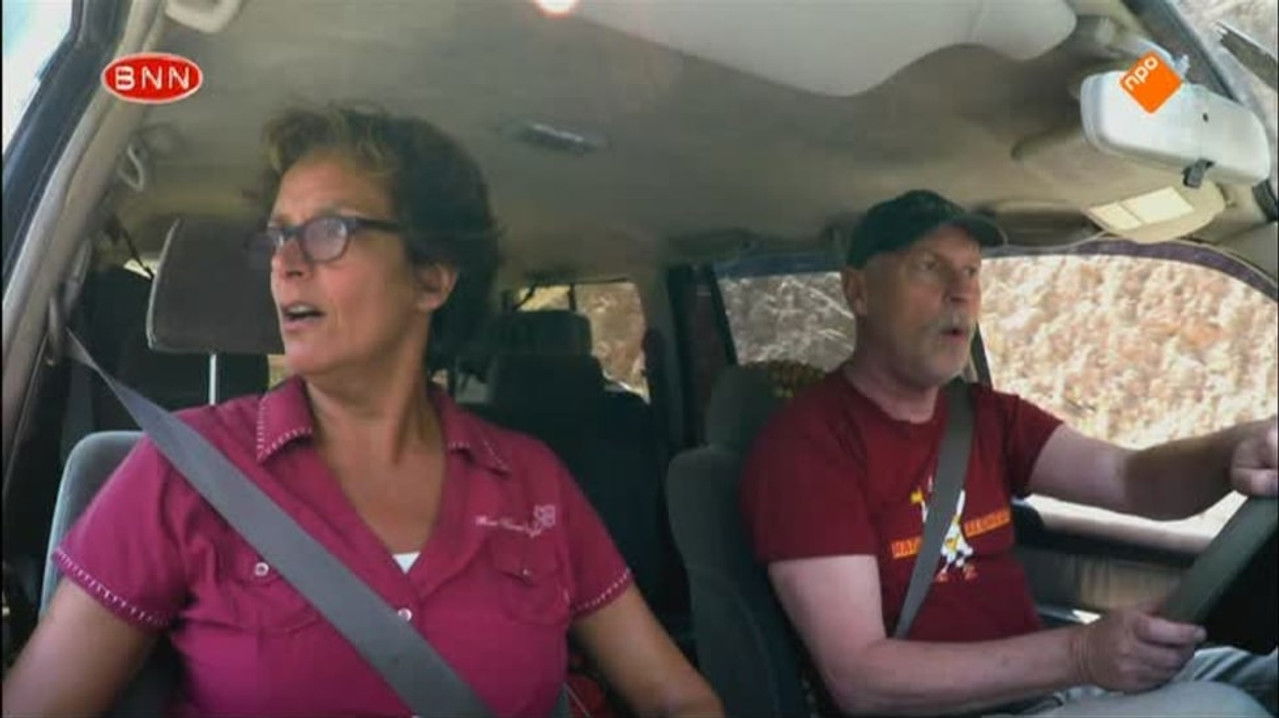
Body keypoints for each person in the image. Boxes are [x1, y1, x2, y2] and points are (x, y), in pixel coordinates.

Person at [3, 104, 722, 718]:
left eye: (327, 232)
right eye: (277, 236)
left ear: (431, 278)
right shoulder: (184, 472)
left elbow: (674, 697)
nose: (285, 263)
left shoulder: (533, 482)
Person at [739, 189, 1278, 717]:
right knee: (1225, 710)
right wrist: (1081, 653)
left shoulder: (983, 416)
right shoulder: (807, 448)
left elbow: (1130, 478)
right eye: (929, 267)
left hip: (1049, 692)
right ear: (858, 292)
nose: (960, 292)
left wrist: (1233, 448)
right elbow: (861, 679)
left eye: (971, 271)